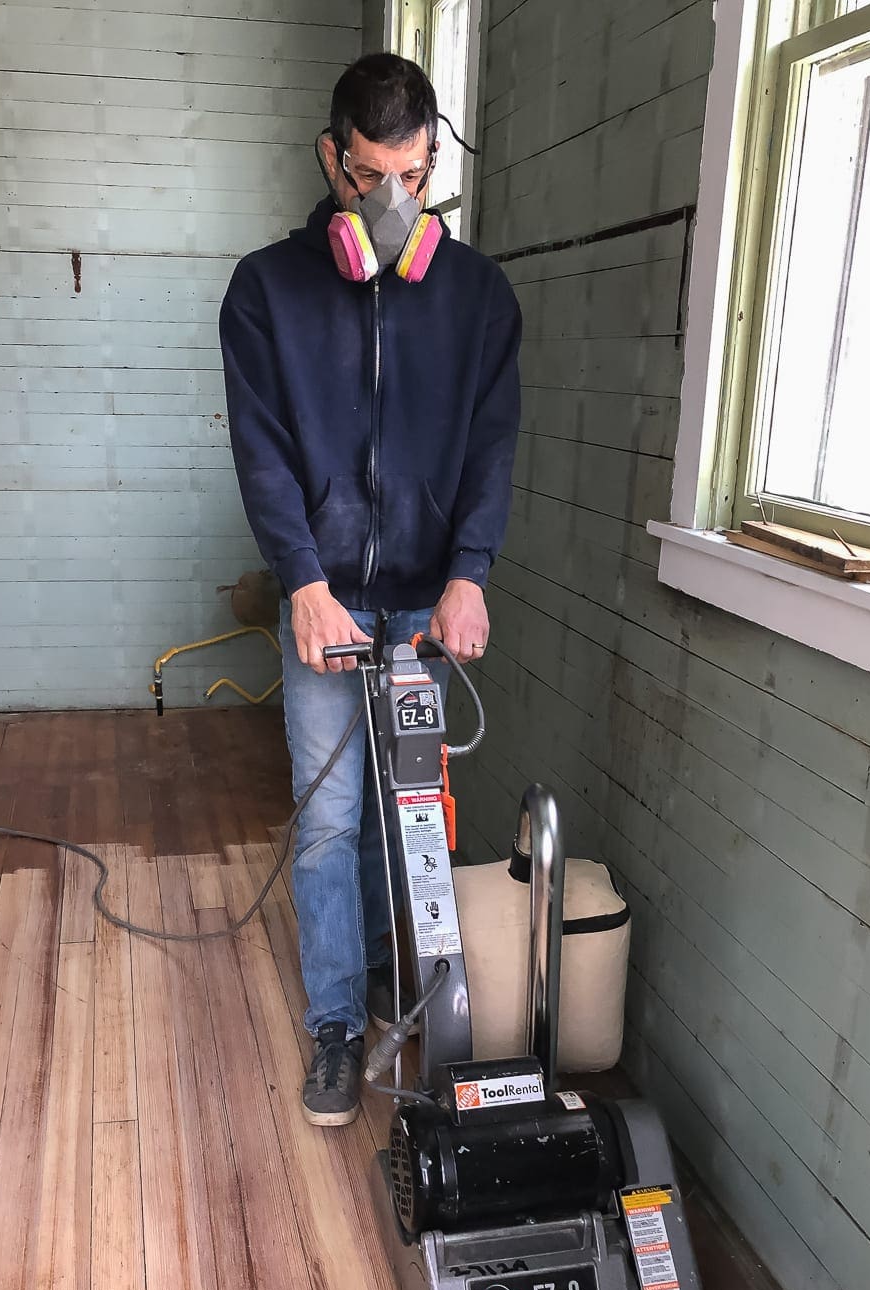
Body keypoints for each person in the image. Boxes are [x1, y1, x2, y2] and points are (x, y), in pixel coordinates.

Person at [219, 52, 521, 1128]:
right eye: (369, 177)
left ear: (435, 159)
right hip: (329, 603)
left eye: (414, 175)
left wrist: (470, 574)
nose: (393, 203)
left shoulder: (480, 298)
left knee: (417, 820)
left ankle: (424, 997)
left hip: (427, 603)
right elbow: (261, 451)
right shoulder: (266, 291)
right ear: (329, 158)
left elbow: (491, 448)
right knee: (331, 818)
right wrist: (301, 580)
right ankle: (338, 1027)